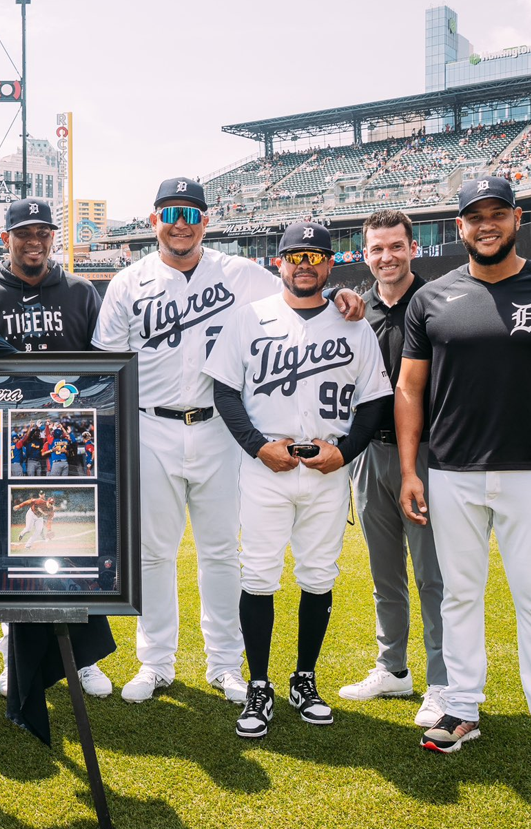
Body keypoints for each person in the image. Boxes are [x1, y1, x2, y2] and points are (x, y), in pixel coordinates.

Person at [93, 179, 365, 704]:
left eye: (191, 213)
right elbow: (109, 365)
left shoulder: (241, 274)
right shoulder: (128, 282)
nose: (181, 222)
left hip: (221, 429)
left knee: (221, 551)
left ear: (206, 221)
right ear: (154, 221)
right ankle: (156, 663)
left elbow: (299, 289)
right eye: (171, 212)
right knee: (154, 553)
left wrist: (337, 294)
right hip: (151, 426)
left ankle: (224, 664)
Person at [397, 177, 531, 776]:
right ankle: (461, 708)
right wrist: (410, 469)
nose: (485, 225)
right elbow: (410, 387)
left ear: (516, 218)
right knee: (460, 595)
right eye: (473, 217)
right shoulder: (431, 298)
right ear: (458, 226)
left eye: (496, 214)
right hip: (452, 473)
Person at [207, 220, 390, 738]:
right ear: (278, 263)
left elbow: (375, 401)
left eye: (315, 257)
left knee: (318, 575)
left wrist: (346, 451)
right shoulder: (250, 318)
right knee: (259, 575)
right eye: (295, 256)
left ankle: (304, 678)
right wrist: (258, 445)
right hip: (267, 467)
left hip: (327, 469)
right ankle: (260, 684)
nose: (304, 265)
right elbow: (225, 393)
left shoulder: (354, 325)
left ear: (330, 265)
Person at [0, 196, 115, 701]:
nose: (35, 242)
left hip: (66, 440)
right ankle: (14, 655)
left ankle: (81, 656)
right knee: (9, 550)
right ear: (7, 239)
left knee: (78, 551)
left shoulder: (81, 291)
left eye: (43, 233)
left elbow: (101, 372)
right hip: (4, 444)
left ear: (52, 238)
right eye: (24, 233)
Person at [338, 209, 446, 727]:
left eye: (396, 247)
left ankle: (444, 682)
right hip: (369, 455)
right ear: (365, 254)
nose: (387, 257)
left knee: (432, 574)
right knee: (386, 575)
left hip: (424, 457)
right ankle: (394, 669)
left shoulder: (438, 304)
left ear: (413, 248)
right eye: (377, 249)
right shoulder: (354, 312)